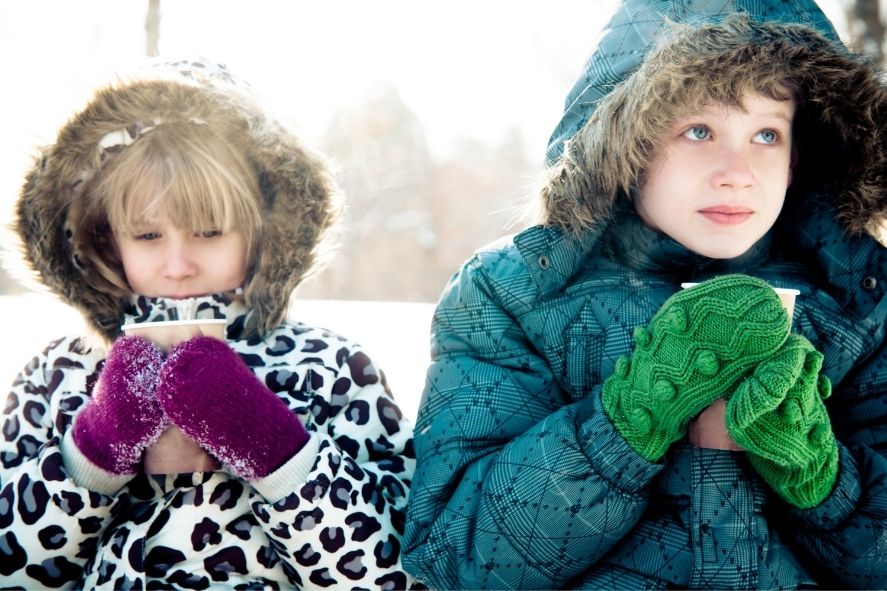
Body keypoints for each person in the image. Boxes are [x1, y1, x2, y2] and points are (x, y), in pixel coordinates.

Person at [402, 1, 887, 589]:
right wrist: (626, 422)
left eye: (766, 133)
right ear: (626, 141)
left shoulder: (862, 305)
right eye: (699, 130)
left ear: (800, 155)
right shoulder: (516, 296)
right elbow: (457, 558)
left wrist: (823, 481)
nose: (736, 171)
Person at [0, 58, 417, 589]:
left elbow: (387, 576)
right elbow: (12, 574)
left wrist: (277, 451)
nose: (178, 265)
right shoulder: (56, 374)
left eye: (209, 231)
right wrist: (92, 453)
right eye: (148, 237)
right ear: (107, 239)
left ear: (261, 232)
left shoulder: (333, 370)